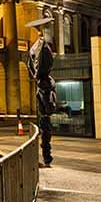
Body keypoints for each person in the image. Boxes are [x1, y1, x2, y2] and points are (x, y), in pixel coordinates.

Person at [26, 17, 57, 167]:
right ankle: (46, 157)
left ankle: (47, 158)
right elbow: (31, 64)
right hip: (42, 88)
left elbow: (44, 64)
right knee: (44, 129)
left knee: (45, 131)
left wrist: (36, 74)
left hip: (44, 92)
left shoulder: (46, 84)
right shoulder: (37, 48)